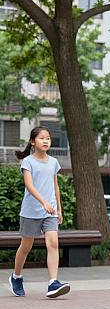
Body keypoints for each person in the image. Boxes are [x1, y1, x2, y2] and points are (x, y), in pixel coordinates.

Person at [8, 126, 70, 298]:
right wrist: (43, 202)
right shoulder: (28, 161)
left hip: (49, 211)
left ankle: (53, 283)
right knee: (26, 247)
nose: (46, 141)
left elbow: (55, 186)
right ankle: (16, 277)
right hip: (31, 211)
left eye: (48, 138)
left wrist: (58, 208)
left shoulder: (53, 162)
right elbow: (29, 185)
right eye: (42, 138)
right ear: (32, 142)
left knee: (53, 243)